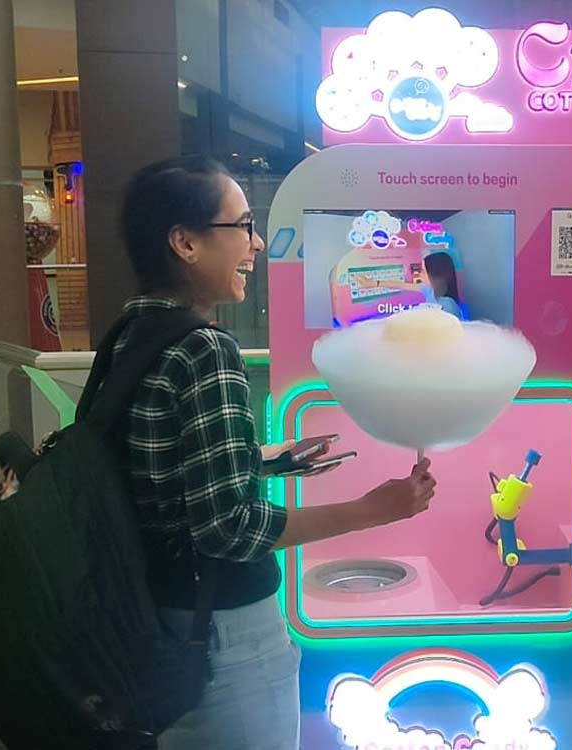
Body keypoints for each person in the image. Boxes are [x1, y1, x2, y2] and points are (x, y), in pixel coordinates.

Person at [115, 155, 438, 750]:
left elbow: (155, 471)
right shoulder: (204, 349)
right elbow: (228, 529)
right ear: (185, 242)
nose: (256, 243)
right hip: (224, 630)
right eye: (240, 227)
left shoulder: (129, 335)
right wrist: (376, 509)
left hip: (162, 611)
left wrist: (264, 457)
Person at [363, 251, 465, 319]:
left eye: (423, 271)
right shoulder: (429, 289)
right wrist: (374, 283)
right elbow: (400, 285)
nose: (419, 274)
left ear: (436, 275)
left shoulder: (448, 306)